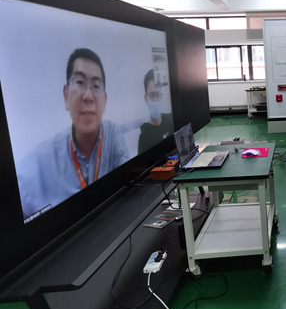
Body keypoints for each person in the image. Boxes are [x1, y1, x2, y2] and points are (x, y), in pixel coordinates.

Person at [17, 48, 130, 220]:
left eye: (96, 86)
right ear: (66, 95)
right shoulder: (37, 166)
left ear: (105, 101)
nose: (88, 96)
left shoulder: (113, 135)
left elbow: (128, 169)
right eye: (79, 82)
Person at [138, 69, 173, 154]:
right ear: (146, 98)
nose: (155, 100)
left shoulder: (171, 120)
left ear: (161, 96)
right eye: (151, 95)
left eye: (157, 94)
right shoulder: (144, 138)